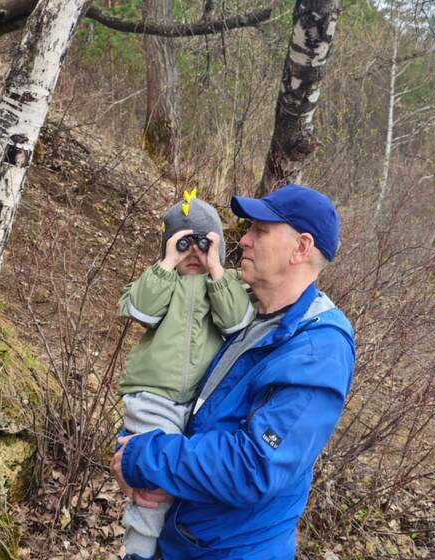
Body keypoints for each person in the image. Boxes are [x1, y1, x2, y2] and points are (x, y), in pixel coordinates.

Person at [112, 183, 356, 559]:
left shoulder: (318, 349)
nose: (243, 240)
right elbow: (187, 409)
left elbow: (255, 466)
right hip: (185, 540)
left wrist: (144, 458)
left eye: (260, 231)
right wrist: (142, 461)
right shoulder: (251, 319)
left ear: (301, 248)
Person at [116, 192, 255, 560]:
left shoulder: (229, 284)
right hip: (152, 397)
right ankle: (139, 551)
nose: (194, 252)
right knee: (151, 477)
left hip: (198, 406)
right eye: (184, 244)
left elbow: (237, 322)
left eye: (204, 244)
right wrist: (167, 262)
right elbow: (140, 311)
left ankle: (166, 548)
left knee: (182, 476)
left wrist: (216, 271)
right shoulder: (161, 280)